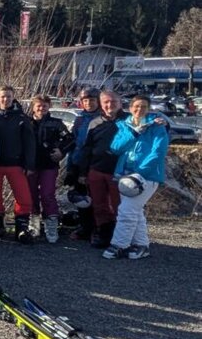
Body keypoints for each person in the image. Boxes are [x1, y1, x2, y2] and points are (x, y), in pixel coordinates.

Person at [103, 95, 168, 260]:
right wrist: (133, 133)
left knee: (126, 210)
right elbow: (116, 148)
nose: (139, 110)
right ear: (130, 108)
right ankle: (141, 245)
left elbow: (158, 152)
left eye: (144, 107)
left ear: (149, 108)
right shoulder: (124, 125)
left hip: (147, 176)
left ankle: (119, 245)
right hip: (125, 175)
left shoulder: (157, 126)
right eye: (136, 106)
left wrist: (141, 172)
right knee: (134, 211)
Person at [78, 91, 128, 249]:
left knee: (120, 205)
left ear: (120, 103)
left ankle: (123, 235)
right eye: (106, 102)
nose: (109, 105)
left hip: (119, 172)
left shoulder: (129, 121)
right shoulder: (95, 123)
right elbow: (87, 148)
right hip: (96, 169)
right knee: (99, 205)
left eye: (113, 101)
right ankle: (103, 232)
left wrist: (161, 122)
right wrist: (82, 172)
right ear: (101, 103)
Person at [0, 86, 36, 243]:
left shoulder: (22, 118)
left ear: (13, 97)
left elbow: (29, 143)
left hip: (16, 163)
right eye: (2, 96)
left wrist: (29, 164)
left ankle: (21, 227)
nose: (5, 99)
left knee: (23, 196)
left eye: (8, 96)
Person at [28, 95, 74, 243]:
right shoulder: (26, 123)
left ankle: (51, 224)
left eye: (44, 106)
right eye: (38, 106)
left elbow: (70, 139)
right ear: (33, 107)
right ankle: (33, 222)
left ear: (49, 107)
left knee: (47, 194)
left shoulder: (56, 123)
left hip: (49, 164)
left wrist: (61, 151)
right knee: (31, 194)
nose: (41, 109)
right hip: (30, 165)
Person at [63, 88, 102, 241]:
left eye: (92, 100)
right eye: (85, 101)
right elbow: (74, 142)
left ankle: (99, 228)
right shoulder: (80, 119)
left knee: (98, 199)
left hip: (95, 163)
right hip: (79, 162)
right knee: (81, 199)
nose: (89, 103)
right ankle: (85, 227)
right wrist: (71, 167)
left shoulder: (103, 118)